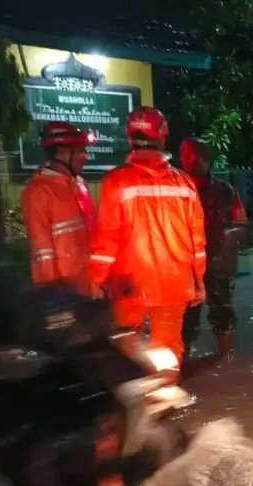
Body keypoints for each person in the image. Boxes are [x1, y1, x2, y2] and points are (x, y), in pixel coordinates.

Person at [88, 106, 206, 377]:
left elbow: (106, 240)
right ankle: (162, 401)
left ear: (130, 139)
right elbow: (197, 242)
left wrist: (96, 280)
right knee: (168, 347)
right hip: (175, 283)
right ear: (163, 138)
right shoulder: (185, 184)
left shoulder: (116, 182)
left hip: (130, 284)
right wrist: (198, 281)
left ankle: (133, 401)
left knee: (123, 342)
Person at [178, 137, 249, 363]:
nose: (189, 160)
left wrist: (218, 236)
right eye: (186, 155)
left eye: (193, 155)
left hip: (218, 264)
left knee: (223, 316)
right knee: (184, 322)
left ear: (205, 159)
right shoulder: (175, 188)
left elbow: (241, 225)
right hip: (184, 266)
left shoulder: (224, 191)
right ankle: (182, 369)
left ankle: (224, 365)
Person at [21, 122, 96, 294]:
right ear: (61, 153)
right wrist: (51, 295)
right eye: (79, 151)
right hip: (64, 293)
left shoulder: (79, 184)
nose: (84, 156)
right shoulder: (38, 193)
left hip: (90, 287)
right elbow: (42, 252)